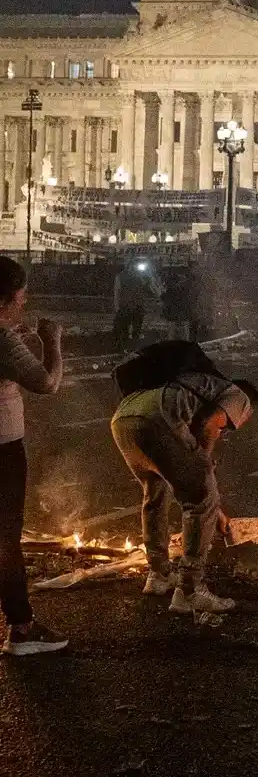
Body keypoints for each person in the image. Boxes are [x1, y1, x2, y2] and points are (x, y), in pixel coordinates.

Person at [110, 365, 258, 614]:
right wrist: (204, 466)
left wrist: (213, 505)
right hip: (159, 419)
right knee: (201, 499)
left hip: (124, 419)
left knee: (155, 491)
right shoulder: (239, 396)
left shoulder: (200, 388)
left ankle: (158, 575)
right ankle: (190, 591)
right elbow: (211, 425)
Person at [0, 258, 67, 655]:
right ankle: (22, 629)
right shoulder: (3, 342)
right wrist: (51, 342)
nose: (23, 304)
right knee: (5, 539)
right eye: (20, 298)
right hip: (3, 449)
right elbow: (47, 383)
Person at [113, 261, 156, 348]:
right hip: (128, 305)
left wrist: (116, 305)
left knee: (133, 329)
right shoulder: (123, 276)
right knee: (127, 328)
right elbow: (117, 291)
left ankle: (129, 347)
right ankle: (127, 346)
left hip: (133, 305)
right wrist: (116, 305)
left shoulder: (138, 276)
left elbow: (148, 287)